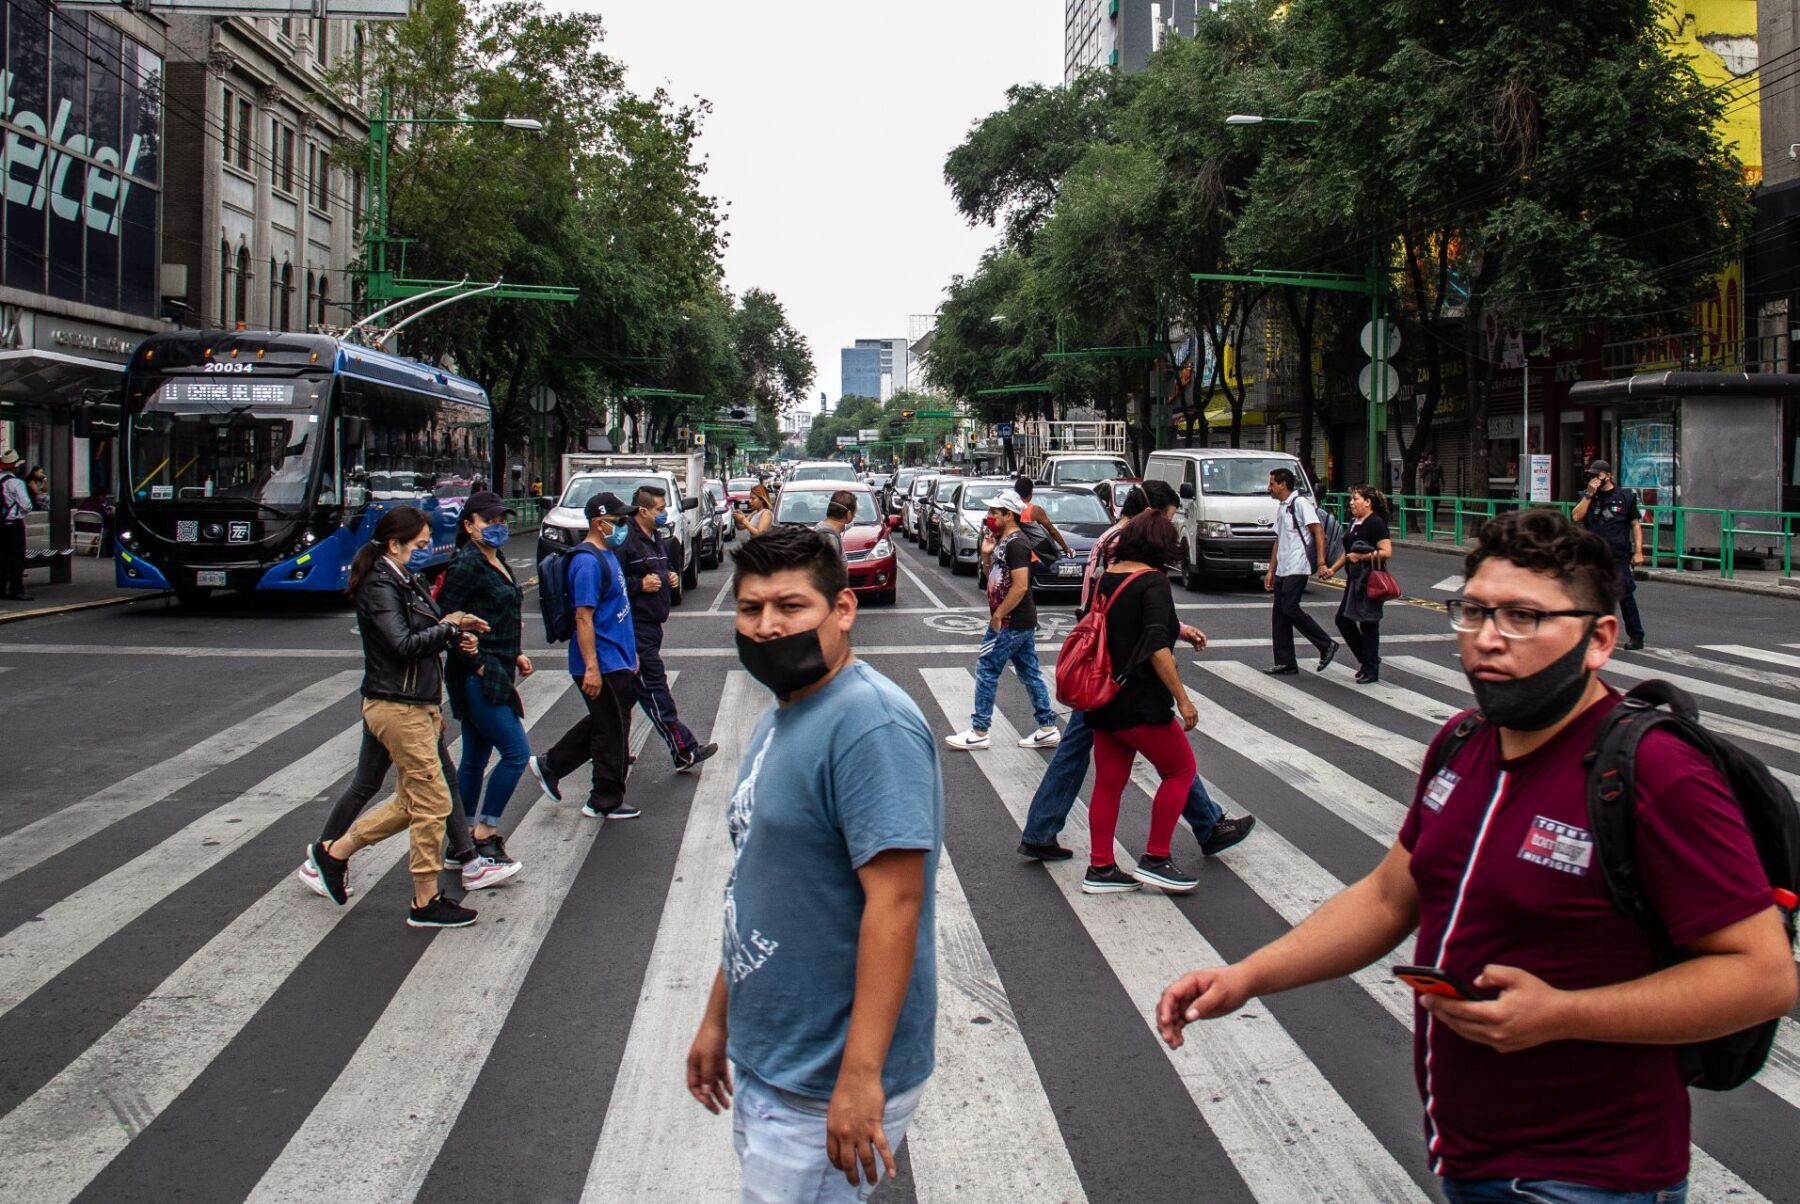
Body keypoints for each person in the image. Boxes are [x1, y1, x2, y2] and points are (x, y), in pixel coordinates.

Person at [1155, 509, 1797, 1204]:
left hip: (1590, 1178)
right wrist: (1249, 977)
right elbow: (1388, 898)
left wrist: (1562, 1014)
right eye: (1474, 612)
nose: (1488, 640)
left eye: (1523, 617)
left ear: (1598, 638)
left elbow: (1762, 978)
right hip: (1468, 1159)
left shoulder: (1654, 771)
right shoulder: (1462, 742)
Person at [685, 525, 943, 1204]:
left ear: (843, 611)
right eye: (751, 609)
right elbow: (760, 882)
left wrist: (861, 1077)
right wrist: (720, 1018)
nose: (768, 626)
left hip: (823, 1077)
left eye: (791, 607)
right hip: (771, 1057)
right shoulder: (786, 712)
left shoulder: (869, 725)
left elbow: (897, 903)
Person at [1021, 478, 1256, 862]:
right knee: (1169, 757)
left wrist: (1173, 626)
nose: (1169, 530)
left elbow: (1117, 601)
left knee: (1100, 761)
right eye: (1168, 519)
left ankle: (1055, 836)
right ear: (1152, 515)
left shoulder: (1113, 537)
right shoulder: (1127, 545)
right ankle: (1192, 834)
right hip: (1116, 666)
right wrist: (1181, 692)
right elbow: (1134, 606)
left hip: (1102, 658)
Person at [304, 506, 491, 929]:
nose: (426, 551)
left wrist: (454, 628)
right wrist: (449, 628)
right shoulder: (380, 585)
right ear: (395, 544)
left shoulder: (406, 579)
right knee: (434, 801)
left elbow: (422, 633)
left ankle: (333, 852)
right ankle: (425, 900)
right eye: (420, 545)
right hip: (396, 704)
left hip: (414, 703)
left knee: (412, 800)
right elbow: (401, 644)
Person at [1076, 510, 1202, 894]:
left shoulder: (1105, 577)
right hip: (1139, 698)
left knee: (1109, 784)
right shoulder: (1154, 582)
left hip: (1103, 696)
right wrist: (1183, 700)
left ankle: (1100, 868)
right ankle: (1156, 857)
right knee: (1181, 770)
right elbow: (1156, 647)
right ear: (1161, 545)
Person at [436, 491, 537, 875]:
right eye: (489, 521)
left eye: (502, 521)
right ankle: (483, 834)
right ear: (469, 526)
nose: (498, 527)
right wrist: (477, 663)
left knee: (475, 760)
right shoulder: (466, 565)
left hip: (498, 664)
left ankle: (457, 845)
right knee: (515, 753)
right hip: (477, 674)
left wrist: (516, 653)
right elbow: (448, 620)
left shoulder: (497, 559)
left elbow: (499, 616)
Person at [532, 492, 643, 820]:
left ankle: (551, 764)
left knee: (605, 721)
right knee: (612, 730)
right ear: (599, 523)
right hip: (601, 662)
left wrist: (631, 653)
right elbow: (583, 617)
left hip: (618, 658)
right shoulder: (586, 561)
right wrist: (592, 667)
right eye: (620, 521)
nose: (625, 526)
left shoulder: (607, 554)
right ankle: (603, 799)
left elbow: (617, 610)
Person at [944, 489, 1060, 752]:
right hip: (1017, 621)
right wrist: (986, 555)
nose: (989, 517)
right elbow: (992, 578)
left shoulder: (1017, 544)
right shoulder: (1003, 542)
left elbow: (1020, 587)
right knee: (1029, 671)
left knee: (986, 668)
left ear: (1009, 515)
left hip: (1010, 622)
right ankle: (1047, 727)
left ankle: (980, 730)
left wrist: (998, 615)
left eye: (994, 512)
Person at [621, 483, 719, 773]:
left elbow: (658, 570)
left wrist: (668, 577)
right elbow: (609, 584)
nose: (665, 514)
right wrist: (640, 584)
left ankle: (589, 753)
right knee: (655, 691)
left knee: (619, 698)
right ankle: (683, 749)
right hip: (634, 629)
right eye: (660, 510)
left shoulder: (654, 537)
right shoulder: (625, 540)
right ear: (643, 510)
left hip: (651, 625)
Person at [1263, 467, 1337, 676]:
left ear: (1283, 484)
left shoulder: (1300, 503)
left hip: (1299, 565)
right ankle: (1286, 661)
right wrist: (1271, 570)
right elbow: (1279, 540)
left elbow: (1318, 531)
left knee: (1290, 608)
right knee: (1279, 615)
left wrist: (1321, 563)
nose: (1269, 488)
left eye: (1272, 484)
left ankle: (1326, 644)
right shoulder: (1282, 507)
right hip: (1284, 567)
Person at [1320, 484, 1395, 684]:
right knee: (1343, 620)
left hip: (1369, 580)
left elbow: (1386, 551)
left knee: (1368, 623)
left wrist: (1361, 557)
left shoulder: (1375, 523)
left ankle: (1371, 668)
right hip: (1354, 580)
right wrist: (1333, 569)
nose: (1351, 503)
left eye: (1356, 499)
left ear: (1368, 502)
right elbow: (1348, 552)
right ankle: (1368, 660)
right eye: (1351, 499)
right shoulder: (1356, 522)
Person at [1571, 458, 1646, 651]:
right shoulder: (1587, 495)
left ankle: (1636, 636)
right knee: (1591, 595)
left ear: (1609, 475)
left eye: (1599, 475)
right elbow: (1576, 517)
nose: (1595, 478)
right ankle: (1590, 634)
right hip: (1593, 555)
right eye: (1592, 475)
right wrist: (1589, 495)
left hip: (1618, 555)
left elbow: (1635, 524)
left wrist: (1638, 551)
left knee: (1625, 595)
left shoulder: (1625, 496)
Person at [0, 448, 31, 601]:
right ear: (15, 466)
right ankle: (16, 590)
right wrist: (19, 514)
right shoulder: (16, 483)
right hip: (14, 525)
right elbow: (26, 505)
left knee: (2, 558)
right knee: (16, 558)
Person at [1013, 476, 1071, 559]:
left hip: (1014, 553)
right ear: (1031, 492)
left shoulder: (1009, 509)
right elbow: (1052, 531)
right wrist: (1065, 547)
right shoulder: (1035, 510)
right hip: (1032, 557)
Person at [815, 489, 857, 558]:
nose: (854, 517)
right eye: (854, 514)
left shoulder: (821, 528)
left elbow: (847, 525)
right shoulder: (830, 540)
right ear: (849, 515)